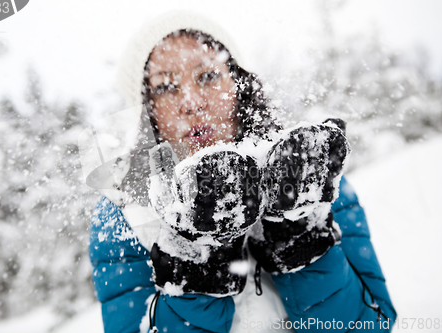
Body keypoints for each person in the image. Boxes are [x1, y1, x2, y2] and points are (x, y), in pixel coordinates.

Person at [88, 12, 396, 333]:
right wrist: (195, 266)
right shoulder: (125, 216)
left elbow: (372, 325)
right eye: (165, 87)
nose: (191, 103)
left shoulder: (305, 178)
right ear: (148, 111)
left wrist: (299, 239)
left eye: (206, 76)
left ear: (237, 85)